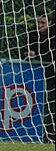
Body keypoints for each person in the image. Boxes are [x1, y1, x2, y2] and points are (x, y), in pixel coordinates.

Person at [26, 14, 55, 143]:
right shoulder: (32, 35)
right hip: (37, 76)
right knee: (39, 106)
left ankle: (50, 136)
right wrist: (29, 54)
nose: (39, 26)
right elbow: (25, 51)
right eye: (38, 22)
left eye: (43, 23)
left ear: (50, 22)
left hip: (52, 76)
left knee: (51, 107)